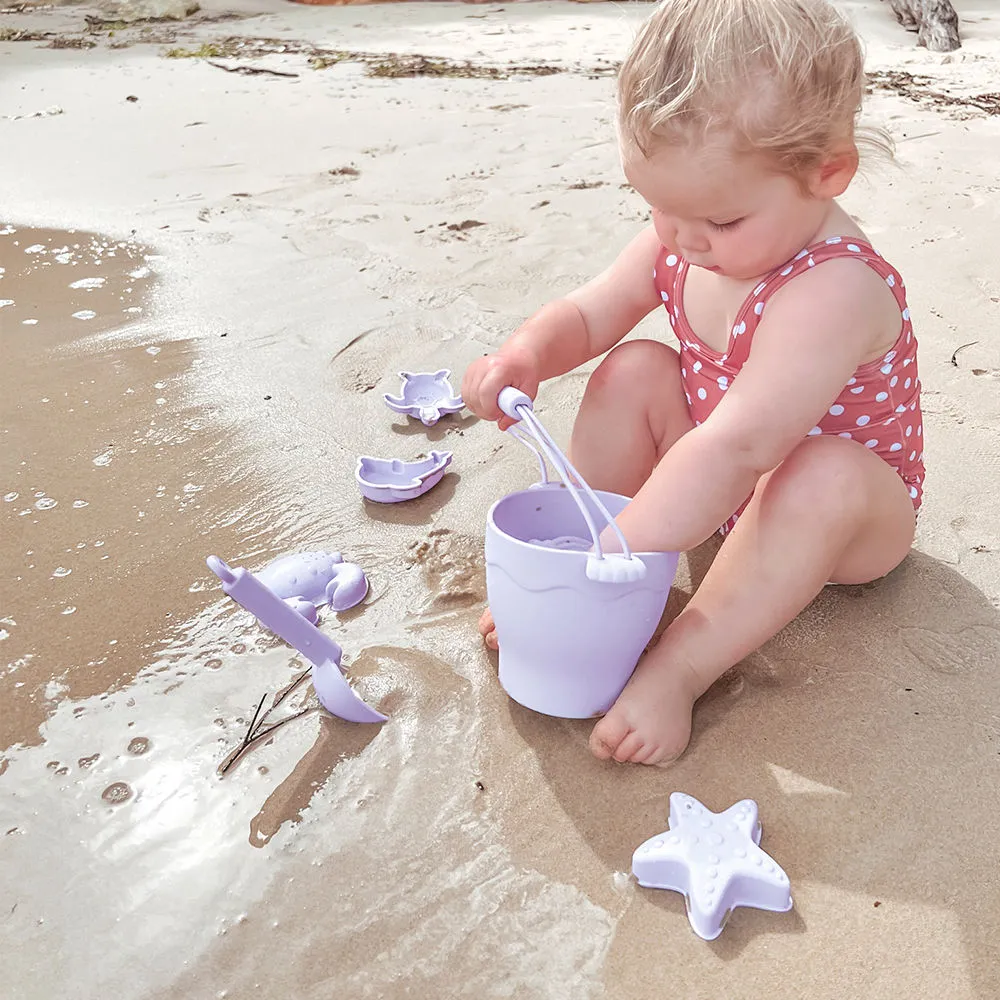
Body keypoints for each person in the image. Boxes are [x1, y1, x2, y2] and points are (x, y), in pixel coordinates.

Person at [461, 0, 925, 765]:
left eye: (719, 220)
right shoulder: (687, 228)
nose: (681, 237)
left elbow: (744, 444)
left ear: (826, 171)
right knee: (635, 368)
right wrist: (527, 356)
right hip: (717, 478)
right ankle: (587, 582)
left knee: (821, 476)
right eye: (657, 206)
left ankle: (678, 666)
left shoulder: (834, 287)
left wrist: (624, 544)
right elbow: (589, 313)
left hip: (844, 517)